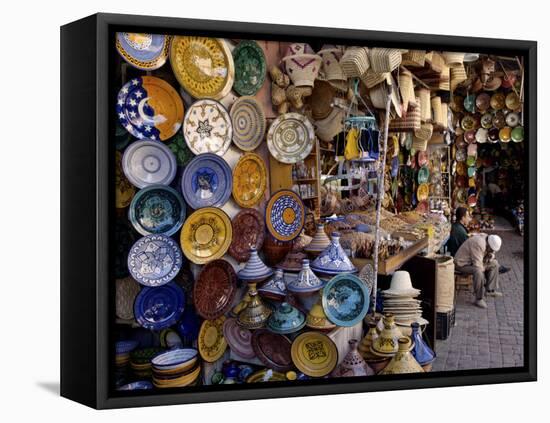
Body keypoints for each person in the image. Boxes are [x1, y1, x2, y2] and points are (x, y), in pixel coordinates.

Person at [454, 234, 503, 309]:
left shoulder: (487, 239)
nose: (492, 251)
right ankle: (479, 298)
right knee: (478, 272)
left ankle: (490, 290)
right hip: (461, 264)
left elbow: (489, 255)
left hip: (471, 262)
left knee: (495, 264)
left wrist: (490, 257)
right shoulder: (479, 244)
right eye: (492, 249)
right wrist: (486, 265)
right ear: (489, 244)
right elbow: (478, 265)